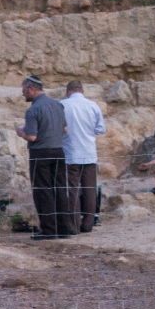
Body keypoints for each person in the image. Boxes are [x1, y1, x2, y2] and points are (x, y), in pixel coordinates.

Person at [16, 75, 69, 240]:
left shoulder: (33, 110)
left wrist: (20, 132)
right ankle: (64, 228)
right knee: (60, 190)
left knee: (43, 192)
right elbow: (64, 129)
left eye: (24, 90)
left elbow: (32, 137)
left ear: (31, 88)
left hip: (41, 154)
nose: (23, 94)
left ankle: (48, 230)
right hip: (59, 151)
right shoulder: (58, 105)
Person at [60, 79, 106, 235]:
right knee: (89, 189)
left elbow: (60, 128)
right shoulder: (93, 105)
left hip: (70, 153)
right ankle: (88, 224)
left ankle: (73, 225)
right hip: (89, 153)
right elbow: (100, 129)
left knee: (72, 189)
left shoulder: (62, 105)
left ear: (68, 91)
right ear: (82, 90)